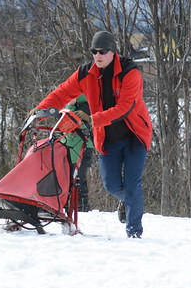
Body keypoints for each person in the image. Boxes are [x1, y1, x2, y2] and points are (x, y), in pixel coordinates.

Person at [34, 31, 152, 238]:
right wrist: (39, 112)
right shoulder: (85, 73)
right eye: (94, 51)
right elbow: (62, 93)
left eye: (102, 51)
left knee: (133, 184)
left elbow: (125, 107)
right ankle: (129, 201)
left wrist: (92, 119)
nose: (98, 56)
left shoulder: (130, 72)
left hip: (135, 136)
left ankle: (134, 234)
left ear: (113, 52)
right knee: (111, 185)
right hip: (108, 139)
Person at [61, 94, 95, 211]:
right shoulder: (89, 104)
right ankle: (80, 207)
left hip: (77, 144)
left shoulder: (86, 106)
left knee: (74, 179)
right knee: (77, 179)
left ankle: (78, 207)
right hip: (76, 145)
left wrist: (71, 104)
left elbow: (65, 124)